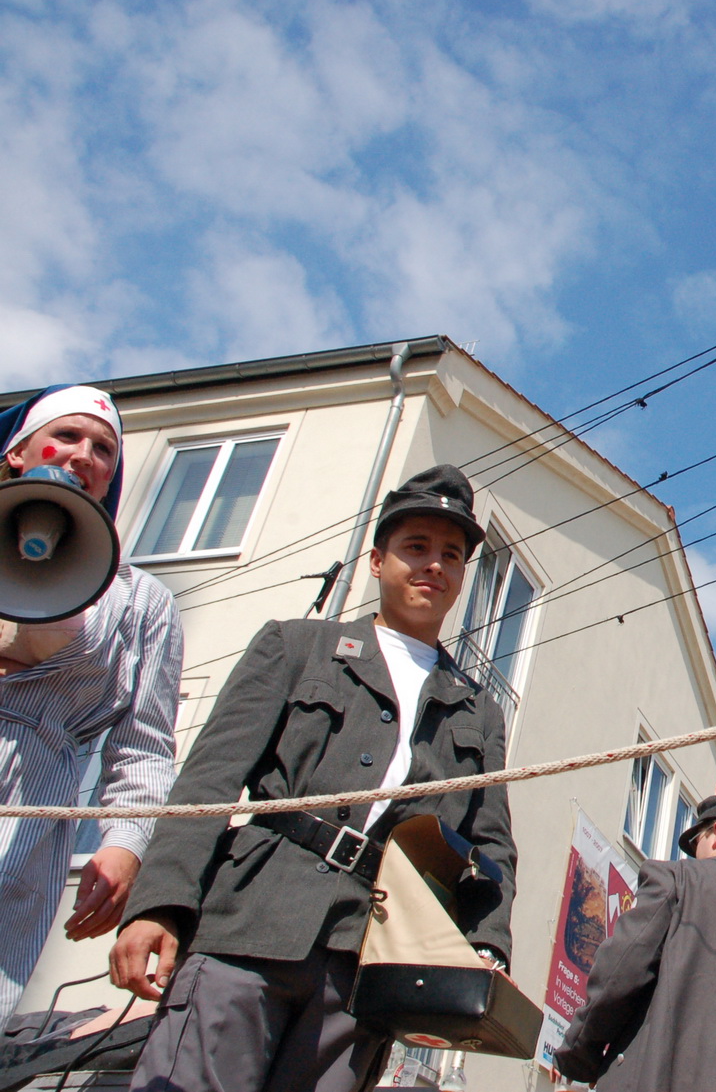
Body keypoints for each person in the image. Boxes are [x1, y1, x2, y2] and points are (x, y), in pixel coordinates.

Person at [111, 464, 517, 1092]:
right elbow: (208, 782)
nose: (435, 565)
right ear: (377, 561)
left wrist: (487, 948)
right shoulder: (296, 647)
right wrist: (159, 906)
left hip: (367, 963)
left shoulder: (477, 711)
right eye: (416, 548)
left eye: (452, 555)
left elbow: (491, 848)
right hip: (249, 924)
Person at [0, 384, 182, 1025]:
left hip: (29, 816)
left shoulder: (141, 602)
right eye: (69, 436)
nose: (85, 455)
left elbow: (144, 745)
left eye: (103, 448)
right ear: (18, 453)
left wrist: (127, 843)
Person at [553, 794, 716, 1091]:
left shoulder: (677, 879)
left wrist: (579, 1055)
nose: (694, 856)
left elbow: (620, 971)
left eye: (696, 845)